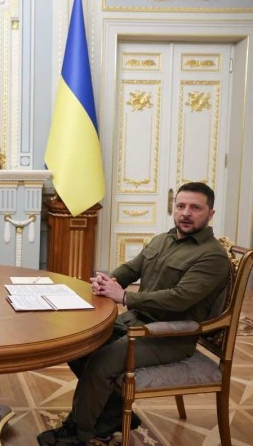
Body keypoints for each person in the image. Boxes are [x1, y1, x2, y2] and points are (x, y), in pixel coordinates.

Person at [37, 182, 230, 446]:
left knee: (101, 363)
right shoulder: (163, 239)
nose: (186, 213)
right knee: (79, 346)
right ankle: (112, 416)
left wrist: (125, 297)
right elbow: (131, 269)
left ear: (210, 214)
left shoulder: (212, 256)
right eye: (181, 206)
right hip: (135, 322)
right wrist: (108, 281)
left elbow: (179, 298)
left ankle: (78, 432)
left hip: (168, 336)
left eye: (195, 208)